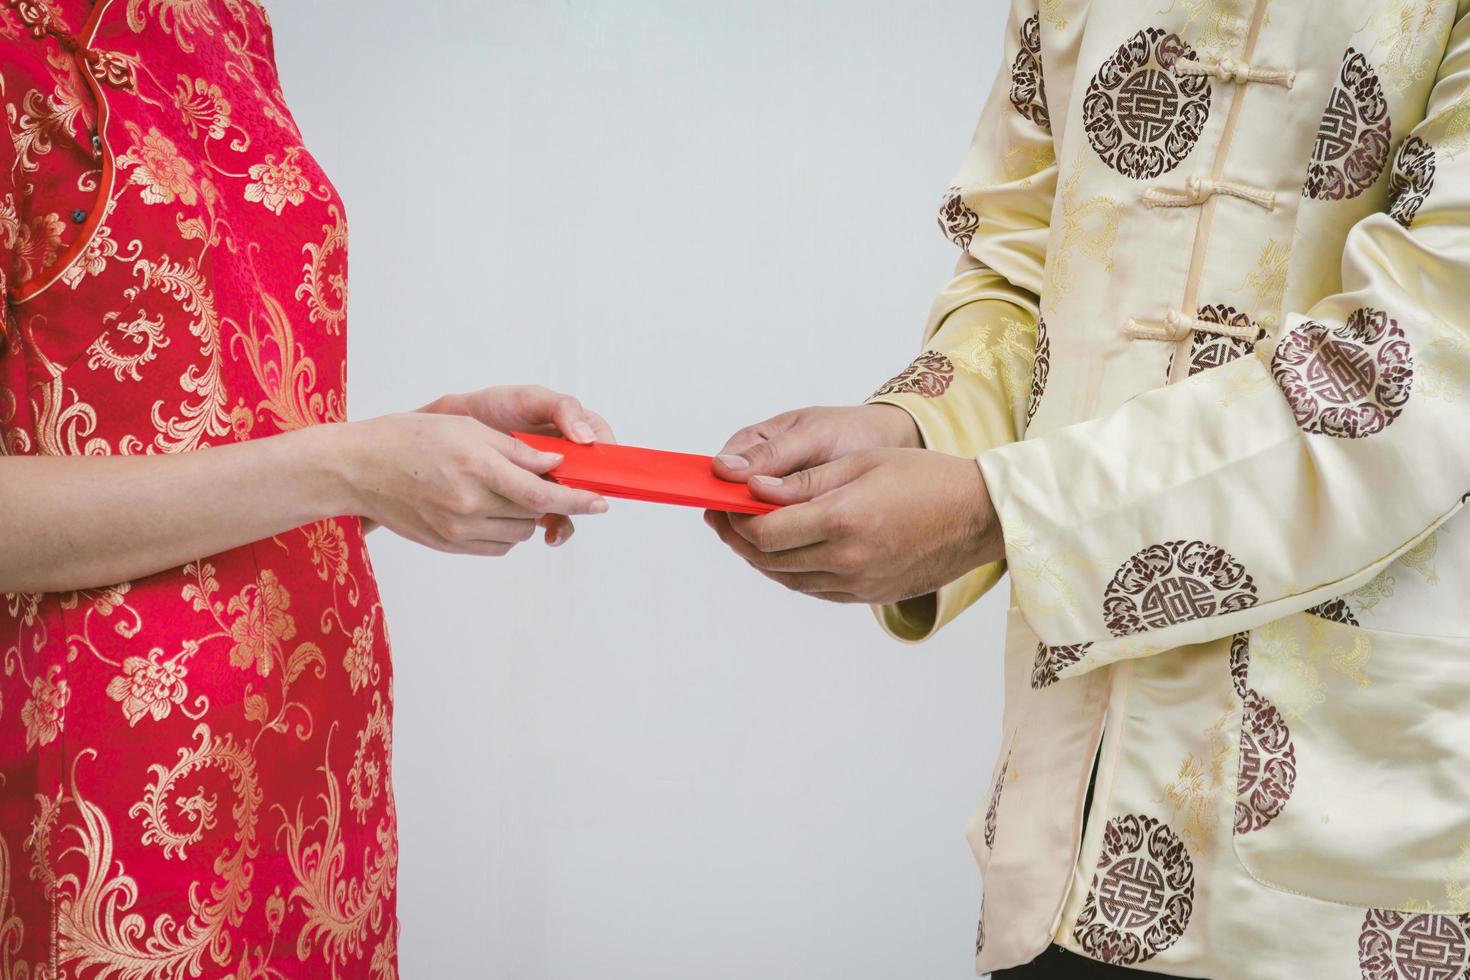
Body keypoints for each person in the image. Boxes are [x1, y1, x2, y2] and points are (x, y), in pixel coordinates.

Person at [708, 1, 1470, 977]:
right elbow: (1025, 259)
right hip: (1066, 828)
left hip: (1342, 860)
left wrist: (995, 507)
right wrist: (913, 427)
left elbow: (1413, 373)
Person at [0, 1, 610, 975]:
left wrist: (413, 451)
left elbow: (220, 414)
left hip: (322, 750)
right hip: (122, 784)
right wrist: (351, 462)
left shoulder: (224, 20)